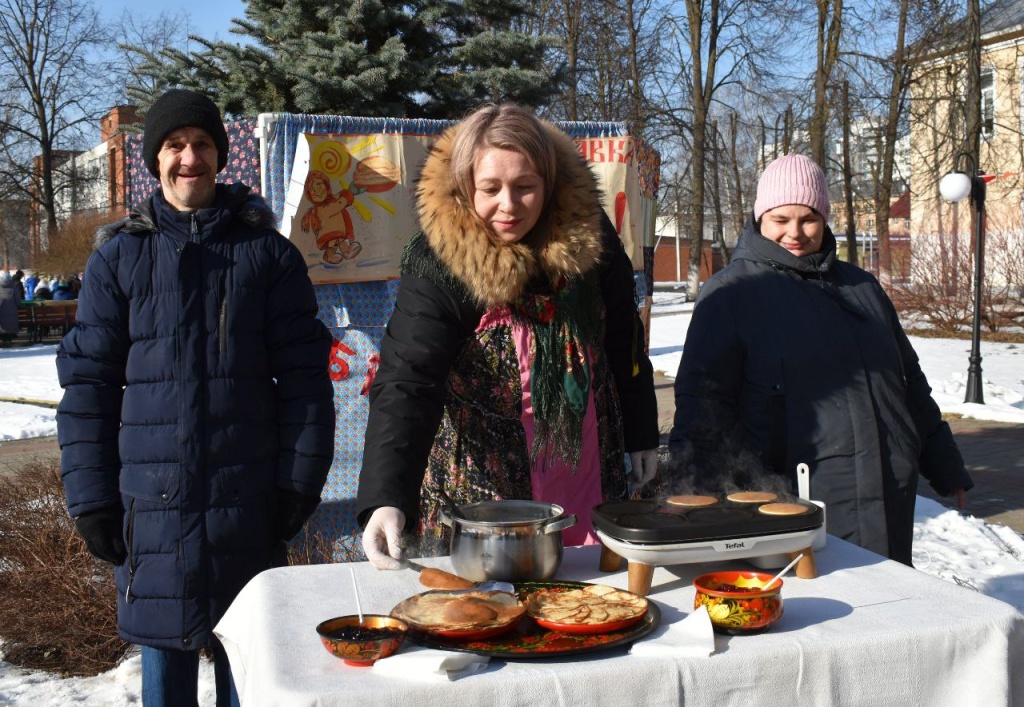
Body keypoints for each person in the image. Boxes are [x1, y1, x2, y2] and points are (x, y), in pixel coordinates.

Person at [55, 88, 335, 707]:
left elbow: (305, 382)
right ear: (155, 159)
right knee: (166, 679)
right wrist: (92, 499)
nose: (189, 158)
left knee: (249, 669)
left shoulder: (268, 256)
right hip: (151, 512)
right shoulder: (118, 259)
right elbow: (88, 389)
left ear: (220, 155)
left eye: (202, 144)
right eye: (175, 145)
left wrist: (299, 483)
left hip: (249, 502)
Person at [356, 103, 660, 567]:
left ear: (550, 184)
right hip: (486, 492)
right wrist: (386, 496)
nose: (509, 206)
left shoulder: (590, 237)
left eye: (525, 187)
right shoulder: (442, 259)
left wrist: (641, 432)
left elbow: (623, 334)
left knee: (591, 606)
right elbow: (408, 378)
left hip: (588, 465)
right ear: (465, 186)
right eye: (490, 188)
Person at [668, 153, 972, 566]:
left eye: (809, 217)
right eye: (781, 219)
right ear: (761, 217)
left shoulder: (862, 287)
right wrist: (695, 499)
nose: (795, 232)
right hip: (792, 505)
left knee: (887, 611)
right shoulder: (731, 294)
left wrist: (943, 460)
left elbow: (908, 380)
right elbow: (703, 404)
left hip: (886, 497)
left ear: (825, 218)